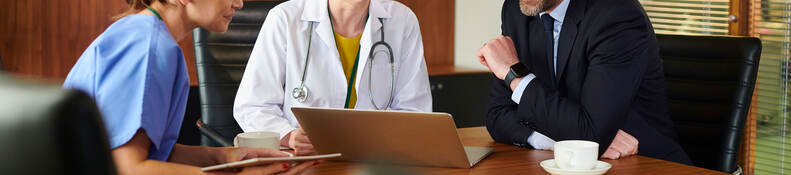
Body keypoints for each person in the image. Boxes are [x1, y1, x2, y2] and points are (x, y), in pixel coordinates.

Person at [62, 0, 317, 174]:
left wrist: (223, 157)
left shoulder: (141, 34)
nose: (239, 3)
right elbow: (130, 168)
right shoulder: (151, 49)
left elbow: (149, 154)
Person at [477, 0, 692, 164]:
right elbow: (497, 115)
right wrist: (564, 142)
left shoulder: (616, 15)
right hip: (577, 163)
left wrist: (514, 74)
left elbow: (590, 135)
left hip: (644, 164)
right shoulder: (517, 10)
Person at [234, 0, 432, 156]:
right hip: (304, 160)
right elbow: (253, 106)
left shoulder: (402, 20)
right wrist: (290, 136)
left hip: (373, 158)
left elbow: (415, 110)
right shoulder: (285, 18)